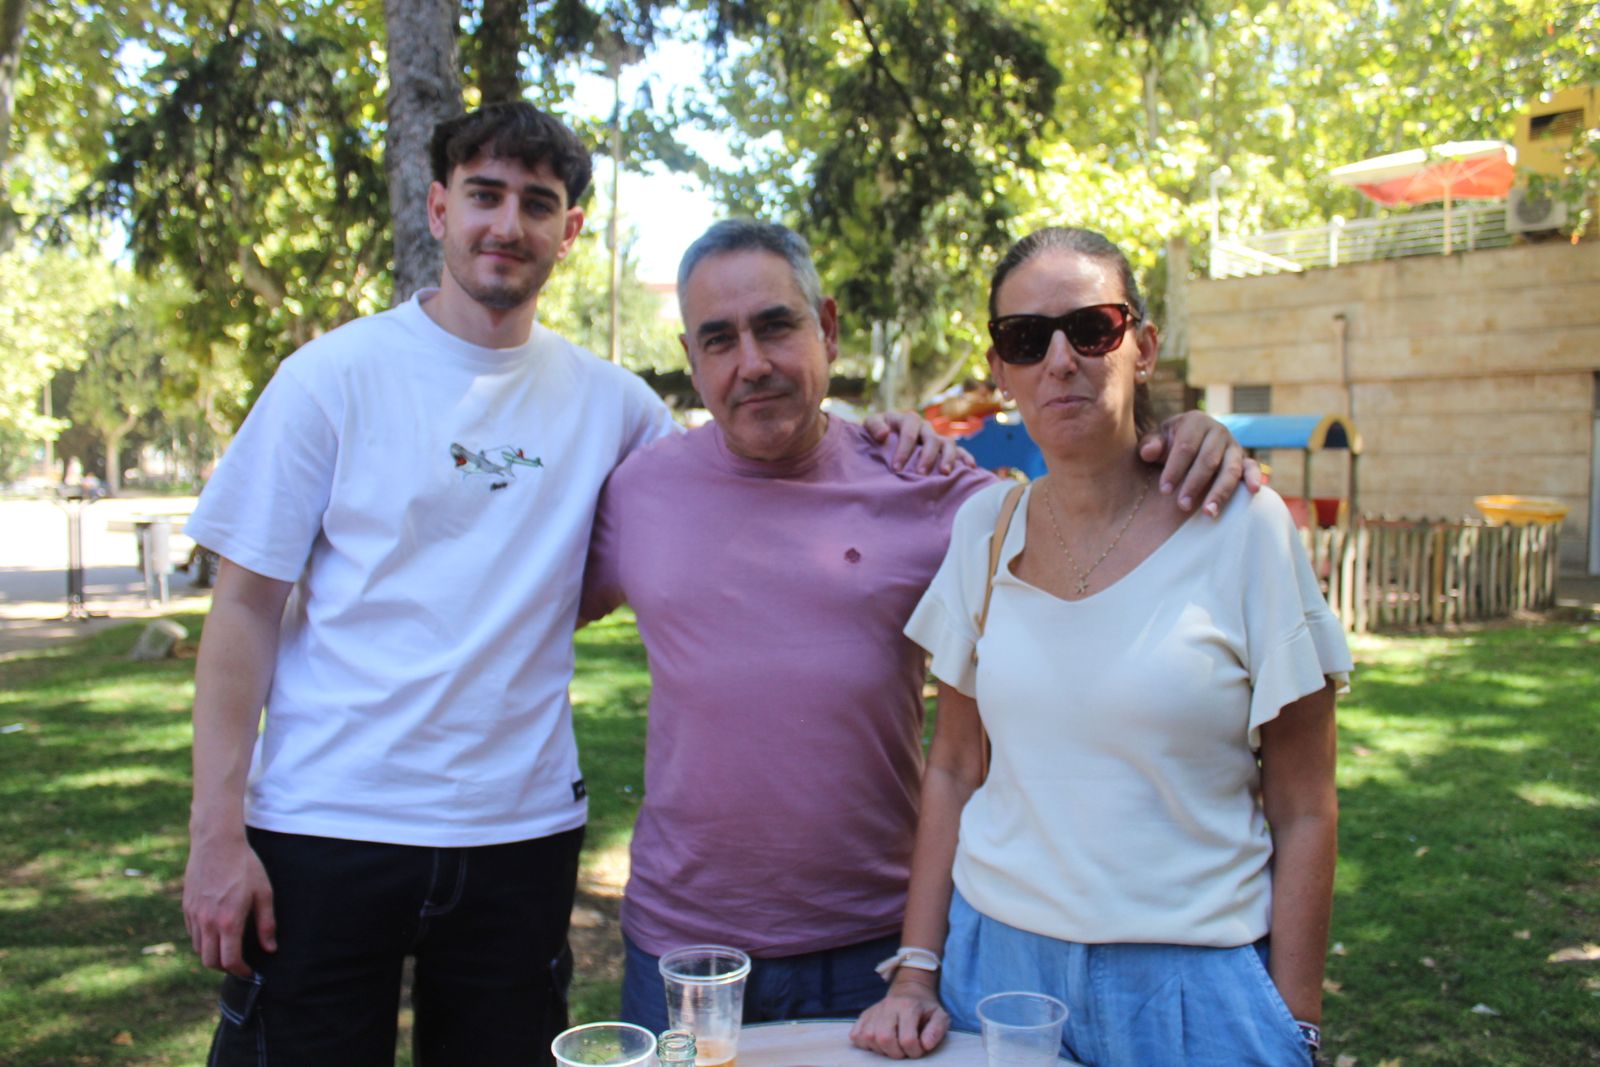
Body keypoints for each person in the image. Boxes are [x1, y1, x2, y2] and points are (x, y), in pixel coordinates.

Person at [179, 102, 972, 1066]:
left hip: (519, 836)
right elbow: (244, 608)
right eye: (483, 196)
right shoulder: (329, 378)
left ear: (572, 230)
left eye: (537, 203)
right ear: (437, 209)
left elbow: (758, 452)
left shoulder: (619, 410)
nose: (507, 225)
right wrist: (216, 836)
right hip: (326, 825)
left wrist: (881, 430)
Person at [579, 220, 1258, 1034]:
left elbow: (1090, 507)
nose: (751, 363)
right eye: (718, 340)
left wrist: (1183, 441)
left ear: (826, 327)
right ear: (691, 359)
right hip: (686, 957)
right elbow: (511, 610)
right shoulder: (638, 492)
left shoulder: (926, 485)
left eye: (776, 325)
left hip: (883, 943)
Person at [851, 227, 1350, 1067]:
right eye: (1025, 338)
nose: (1060, 360)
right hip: (995, 973)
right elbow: (954, 766)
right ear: (1001, 371)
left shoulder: (1243, 526)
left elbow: (1305, 803)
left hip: (1193, 991)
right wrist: (916, 970)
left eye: (1092, 328)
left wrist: (1293, 1022)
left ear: (1143, 347)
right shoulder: (984, 528)